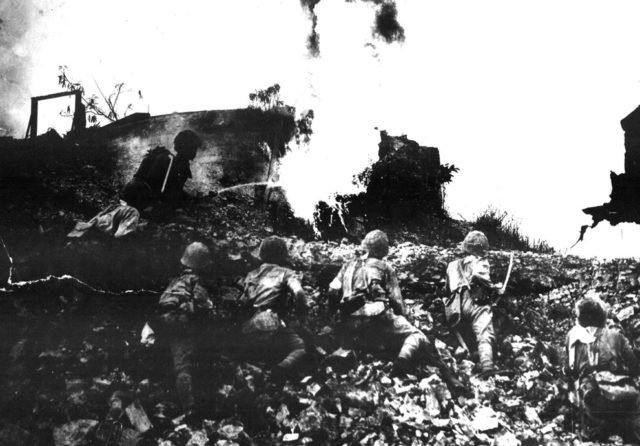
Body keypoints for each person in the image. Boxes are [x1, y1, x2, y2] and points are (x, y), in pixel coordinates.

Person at [329, 230, 465, 393]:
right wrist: (408, 320)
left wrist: (334, 317)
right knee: (418, 336)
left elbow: (333, 290)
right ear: (384, 249)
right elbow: (397, 302)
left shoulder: (349, 265)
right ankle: (404, 362)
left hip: (350, 323)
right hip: (376, 319)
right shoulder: (385, 267)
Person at [565, 296, 640, 443]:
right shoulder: (615, 335)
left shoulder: (572, 336)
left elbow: (569, 372)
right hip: (622, 399)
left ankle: (595, 430)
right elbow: (635, 367)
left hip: (593, 403)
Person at [155, 242, 214, 420]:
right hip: (182, 321)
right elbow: (202, 304)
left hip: (163, 322)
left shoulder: (175, 280)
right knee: (185, 366)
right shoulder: (196, 280)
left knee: (178, 360)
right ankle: (190, 410)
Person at [238, 236, 310, 380]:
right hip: (270, 321)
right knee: (300, 347)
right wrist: (302, 318)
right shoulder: (286, 272)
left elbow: (242, 301)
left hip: (248, 325)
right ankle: (278, 371)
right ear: (283, 254)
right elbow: (299, 293)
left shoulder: (250, 274)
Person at [445, 230, 502, 375]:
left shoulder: (452, 265)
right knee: (484, 332)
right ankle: (487, 366)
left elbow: (447, 289)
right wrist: (494, 288)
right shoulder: (481, 261)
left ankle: (464, 359)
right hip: (475, 302)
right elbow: (479, 275)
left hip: (456, 306)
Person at [120, 129, 203, 211]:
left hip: (130, 194)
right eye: (193, 148)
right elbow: (164, 191)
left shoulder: (166, 157)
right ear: (187, 149)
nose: (195, 152)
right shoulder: (172, 163)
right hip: (141, 198)